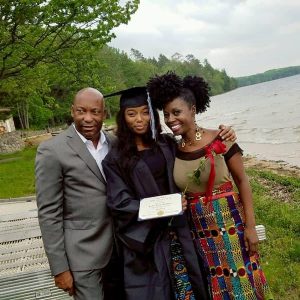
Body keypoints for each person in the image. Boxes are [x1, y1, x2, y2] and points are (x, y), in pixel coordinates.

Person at [147, 72, 274, 299]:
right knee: (214, 286)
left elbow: (243, 181)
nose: (170, 119)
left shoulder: (221, 138)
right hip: (197, 231)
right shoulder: (172, 149)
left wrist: (251, 227)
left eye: (177, 112)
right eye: (166, 114)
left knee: (242, 284)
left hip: (230, 222)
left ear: (193, 110)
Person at [102, 86, 236, 300]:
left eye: (145, 112)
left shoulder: (166, 143)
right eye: (131, 113)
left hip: (182, 231)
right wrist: (164, 207)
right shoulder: (115, 159)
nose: (139, 119)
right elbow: (120, 202)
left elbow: (195, 143)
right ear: (122, 118)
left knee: (193, 286)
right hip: (148, 240)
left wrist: (222, 133)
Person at [35, 87, 122, 300]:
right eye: (81, 111)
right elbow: (48, 213)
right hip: (82, 258)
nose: (88, 118)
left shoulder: (114, 143)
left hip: (119, 252)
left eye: (95, 112)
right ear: (72, 111)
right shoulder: (52, 151)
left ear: (104, 113)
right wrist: (59, 268)